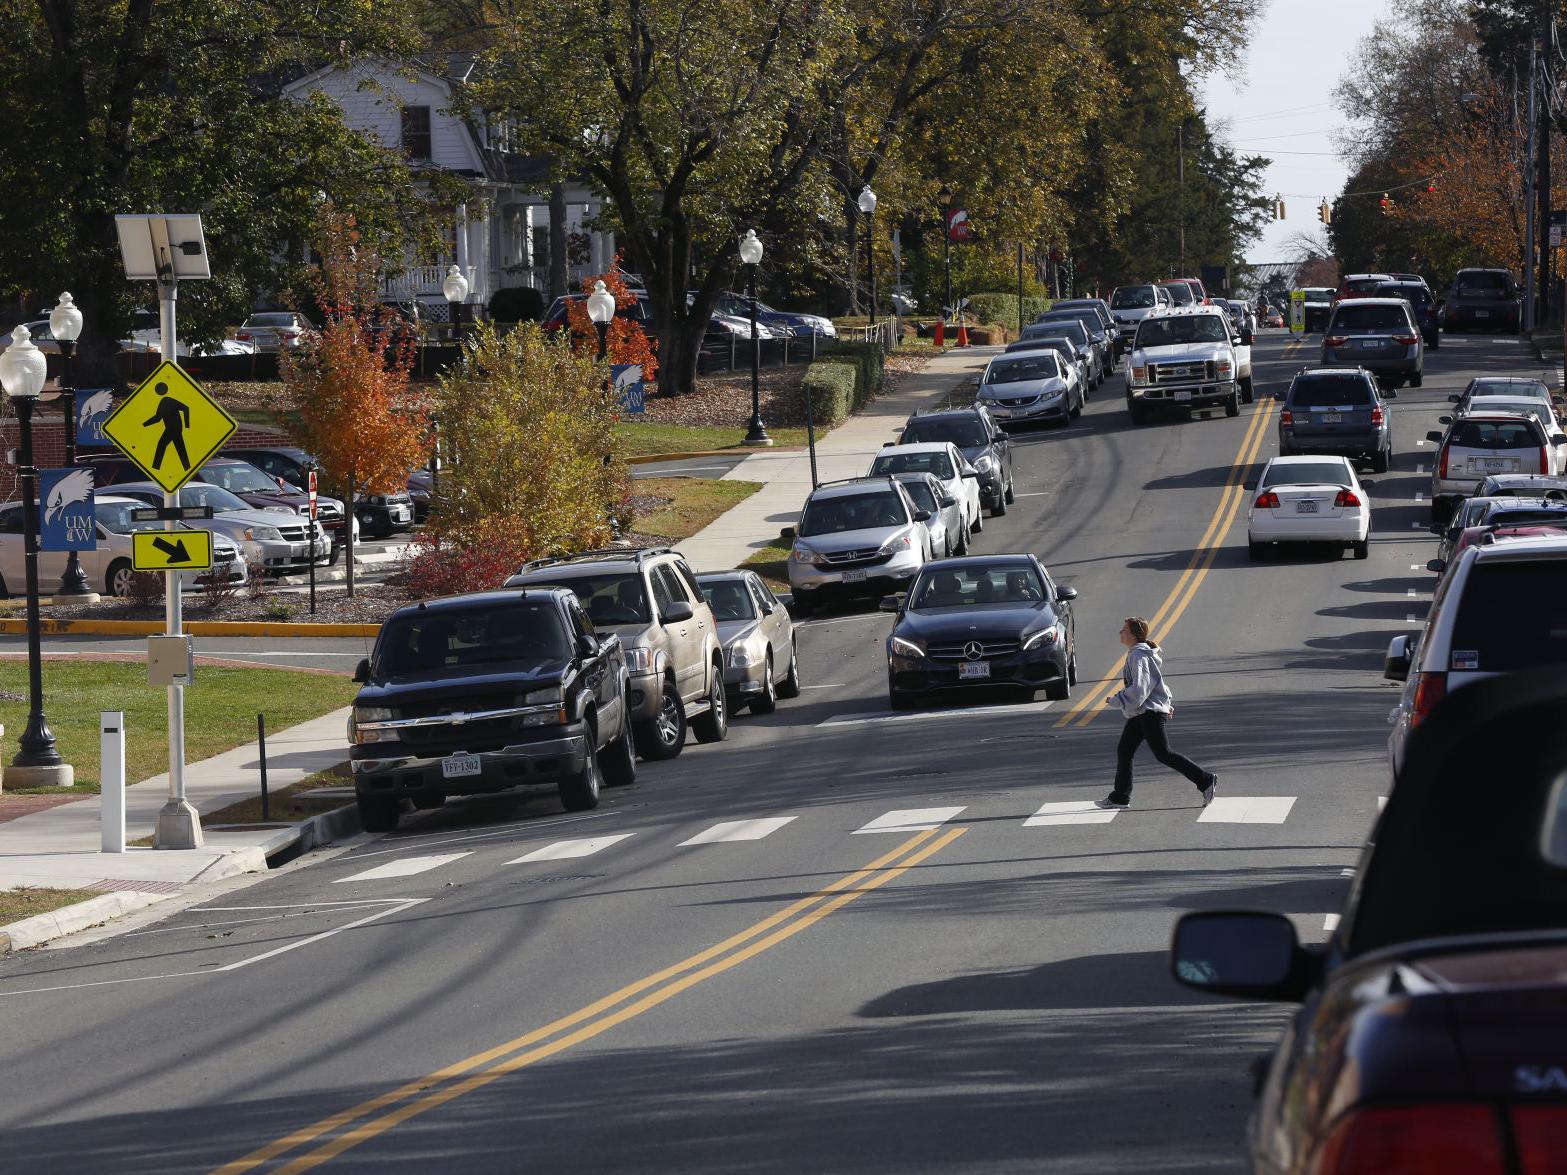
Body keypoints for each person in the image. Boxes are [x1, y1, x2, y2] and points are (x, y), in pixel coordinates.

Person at [1095, 617, 1217, 809]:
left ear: (1133, 635)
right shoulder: (1137, 653)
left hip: (1149, 713)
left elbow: (1141, 689)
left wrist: (1118, 699)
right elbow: (1157, 683)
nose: (1120, 632)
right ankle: (1120, 796)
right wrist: (1165, 703)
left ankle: (1206, 780)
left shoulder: (1138, 655)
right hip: (1143, 712)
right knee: (1125, 750)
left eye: (1124, 630)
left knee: (1164, 754)